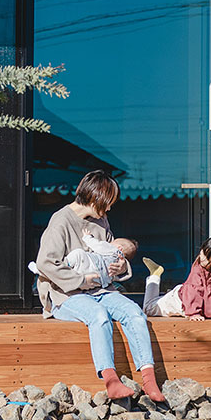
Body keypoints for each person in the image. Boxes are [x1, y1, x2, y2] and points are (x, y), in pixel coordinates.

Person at [34, 171, 164, 402]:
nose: (110, 209)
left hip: (101, 290)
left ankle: (149, 381)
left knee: (135, 313)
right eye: (108, 203)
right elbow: (45, 263)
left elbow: (111, 252)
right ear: (95, 199)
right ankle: (111, 381)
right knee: (99, 316)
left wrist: (120, 266)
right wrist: (80, 281)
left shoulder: (100, 221)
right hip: (65, 294)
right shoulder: (61, 221)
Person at [142, 233, 211, 321]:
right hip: (181, 301)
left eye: (207, 258)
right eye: (202, 252)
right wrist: (194, 313)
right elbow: (194, 291)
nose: (201, 257)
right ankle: (154, 275)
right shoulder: (199, 268)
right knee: (148, 309)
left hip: (196, 302)